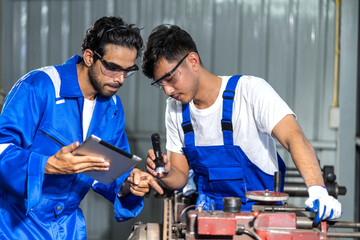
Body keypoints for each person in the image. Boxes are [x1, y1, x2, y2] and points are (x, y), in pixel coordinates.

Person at [142, 24, 342, 224]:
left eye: (170, 78)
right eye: (161, 84)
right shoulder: (175, 109)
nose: (167, 90)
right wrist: (166, 173)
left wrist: (318, 190)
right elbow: (181, 177)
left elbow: (294, 138)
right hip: (208, 222)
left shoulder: (250, 92)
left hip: (261, 224)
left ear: (192, 61)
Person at [0, 16, 163, 239]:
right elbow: (2, 148)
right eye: (113, 68)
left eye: (127, 71)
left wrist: (128, 185)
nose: (121, 79)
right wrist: (47, 165)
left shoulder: (112, 108)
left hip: (68, 229)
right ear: (89, 57)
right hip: (16, 226)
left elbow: (107, 171)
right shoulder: (40, 86)